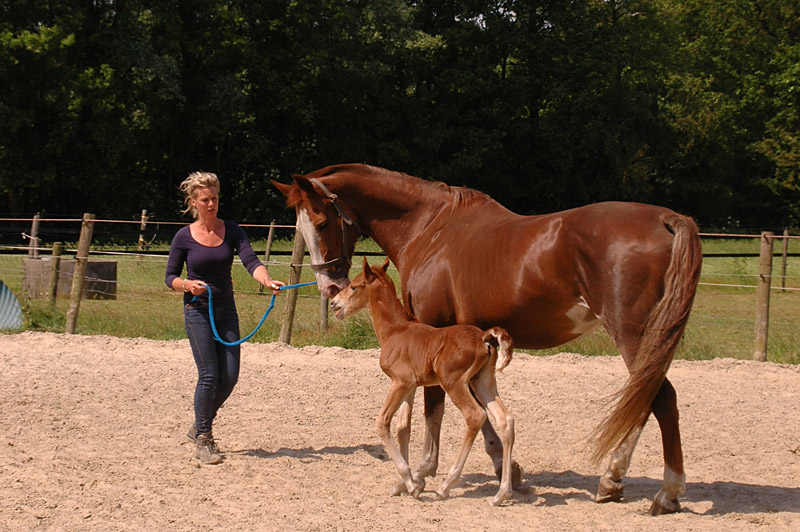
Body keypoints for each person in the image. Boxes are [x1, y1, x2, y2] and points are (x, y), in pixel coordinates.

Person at [165, 171, 284, 465]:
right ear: (194, 202)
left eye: (214, 199)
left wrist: (266, 280)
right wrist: (186, 285)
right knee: (209, 375)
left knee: (229, 377)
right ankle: (204, 437)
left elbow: (250, 261)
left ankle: (200, 421)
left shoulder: (231, 230)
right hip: (197, 310)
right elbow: (169, 277)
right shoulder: (183, 236)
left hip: (226, 310)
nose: (211, 204)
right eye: (205, 200)